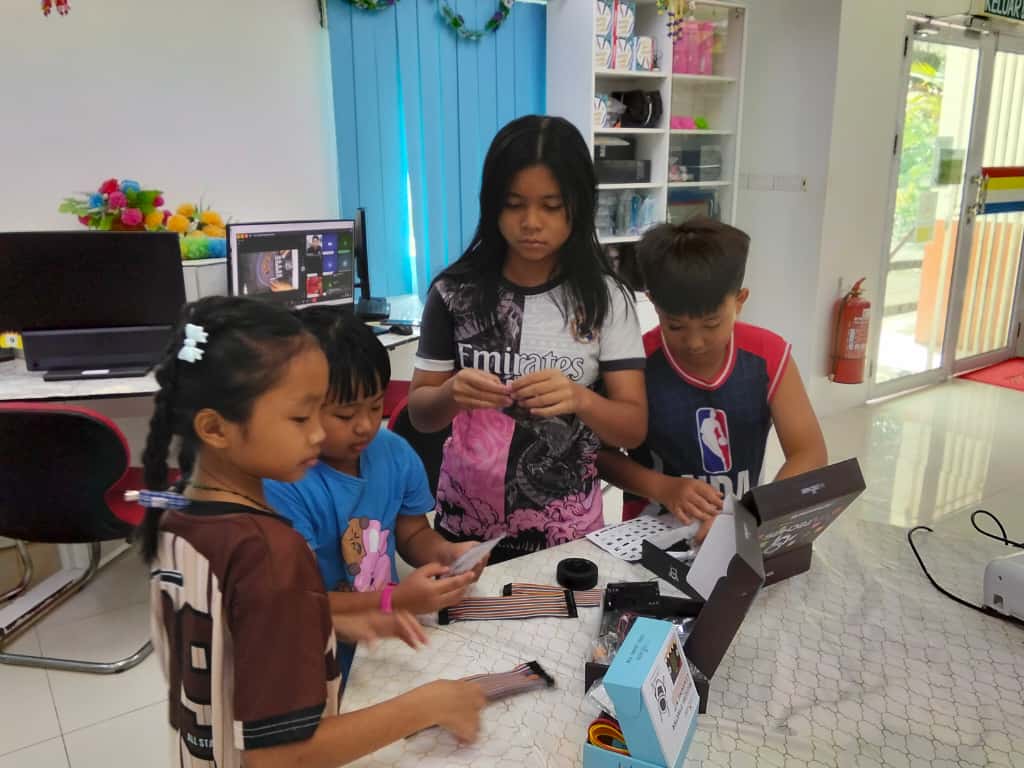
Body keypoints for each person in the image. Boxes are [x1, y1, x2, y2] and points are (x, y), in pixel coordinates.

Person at [139, 296, 485, 768]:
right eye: (303, 417)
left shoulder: (177, 517)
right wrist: (428, 704)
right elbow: (283, 757)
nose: (320, 434)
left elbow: (235, 633)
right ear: (216, 429)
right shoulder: (270, 551)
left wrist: (324, 618)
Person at [408, 115, 647, 564]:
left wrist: (580, 399)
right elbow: (420, 414)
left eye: (551, 206)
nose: (531, 222)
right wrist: (450, 393)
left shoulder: (607, 300)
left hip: (569, 536)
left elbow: (633, 426)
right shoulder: (454, 294)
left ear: (579, 206)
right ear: (492, 205)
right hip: (465, 531)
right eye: (514, 204)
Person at [264, 307, 482, 679]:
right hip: (316, 648)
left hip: (386, 639)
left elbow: (412, 532)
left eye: (376, 405)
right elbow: (300, 601)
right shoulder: (284, 483)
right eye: (345, 415)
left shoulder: (393, 453)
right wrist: (395, 598)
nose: (365, 426)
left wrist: (447, 554)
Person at [598, 218, 827, 539]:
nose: (694, 342)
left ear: (740, 300)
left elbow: (809, 452)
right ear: (653, 303)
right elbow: (602, 456)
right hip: (650, 535)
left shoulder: (768, 355)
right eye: (675, 326)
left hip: (741, 531)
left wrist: (753, 515)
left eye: (711, 324)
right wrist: (663, 488)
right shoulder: (635, 363)